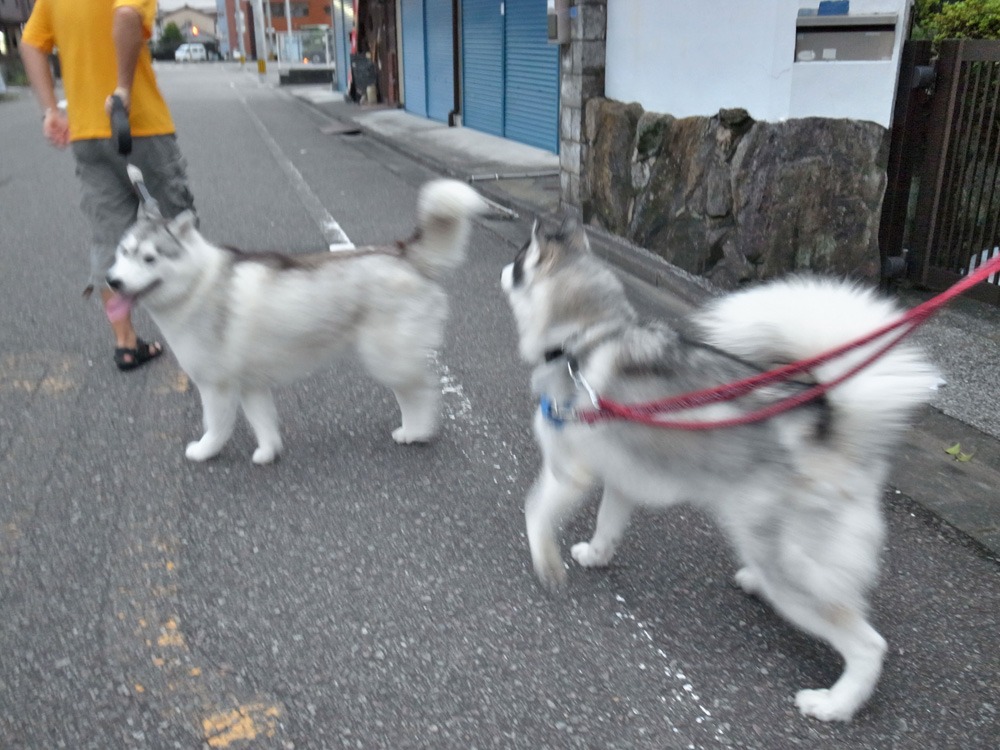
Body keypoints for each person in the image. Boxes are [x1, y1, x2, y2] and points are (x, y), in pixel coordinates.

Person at [20, 0, 196, 371]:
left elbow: (31, 43)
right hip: (139, 124)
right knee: (178, 224)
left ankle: (126, 343)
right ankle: (198, 332)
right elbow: (127, 16)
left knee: (108, 237)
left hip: (87, 133)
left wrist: (50, 109)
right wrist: (123, 90)